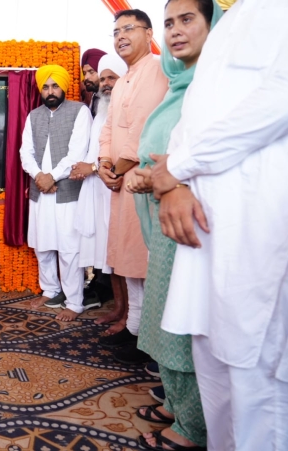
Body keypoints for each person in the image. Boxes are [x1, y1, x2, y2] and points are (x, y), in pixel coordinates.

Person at [149, 0, 288, 448]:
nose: (176, 30)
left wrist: (181, 167)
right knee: (215, 365)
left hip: (252, 221)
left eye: (186, 19)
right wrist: (173, 182)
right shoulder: (236, 20)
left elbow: (278, 98)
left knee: (257, 375)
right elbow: (193, 119)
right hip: (203, 227)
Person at [125, 0, 222, 449]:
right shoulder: (180, 83)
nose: (176, 31)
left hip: (195, 226)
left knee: (185, 323)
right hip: (165, 220)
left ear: (214, 25)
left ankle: (194, 426)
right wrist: (151, 174)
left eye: (188, 20)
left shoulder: (218, 83)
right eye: (169, 23)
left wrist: (162, 173)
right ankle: (179, 405)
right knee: (167, 318)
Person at [96, 9, 169, 364]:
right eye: (115, 31)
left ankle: (146, 336)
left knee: (143, 260)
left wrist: (117, 168)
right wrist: (102, 165)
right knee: (128, 260)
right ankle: (134, 327)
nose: (120, 36)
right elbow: (108, 129)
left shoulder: (156, 68)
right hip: (120, 181)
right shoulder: (123, 79)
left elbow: (143, 124)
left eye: (128, 29)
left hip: (141, 180)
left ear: (149, 32)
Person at [19, 64, 92, 321]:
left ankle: (74, 302)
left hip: (67, 190)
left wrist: (52, 176)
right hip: (41, 191)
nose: (50, 91)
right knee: (42, 244)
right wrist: (39, 176)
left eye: (55, 86)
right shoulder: (33, 115)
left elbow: (77, 152)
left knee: (69, 246)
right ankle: (50, 290)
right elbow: (25, 152)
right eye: (46, 87)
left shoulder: (79, 111)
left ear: (64, 87)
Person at [70, 54, 127, 306]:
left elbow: (125, 151)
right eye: (102, 78)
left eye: (110, 77)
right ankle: (119, 308)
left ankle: (128, 312)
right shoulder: (103, 107)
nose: (104, 83)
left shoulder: (126, 107)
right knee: (106, 252)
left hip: (115, 187)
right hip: (98, 186)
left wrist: (92, 167)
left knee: (118, 251)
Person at [80, 48, 107, 118]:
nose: (86, 77)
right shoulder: (95, 96)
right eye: (84, 73)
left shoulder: (110, 97)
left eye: (91, 72)